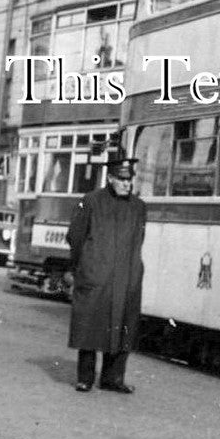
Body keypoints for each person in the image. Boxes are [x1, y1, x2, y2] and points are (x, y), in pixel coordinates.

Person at [67, 155, 146, 394]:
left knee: (122, 328)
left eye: (129, 180)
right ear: (110, 178)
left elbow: (138, 240)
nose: (127, 184)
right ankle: (85, 378)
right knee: (90, 327)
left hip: (126, 276)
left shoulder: (139, 207)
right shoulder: (91, 201)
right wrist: (83, 266)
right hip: (96, 275)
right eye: (122, 179)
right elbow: (76, 237)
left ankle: (113, 379)